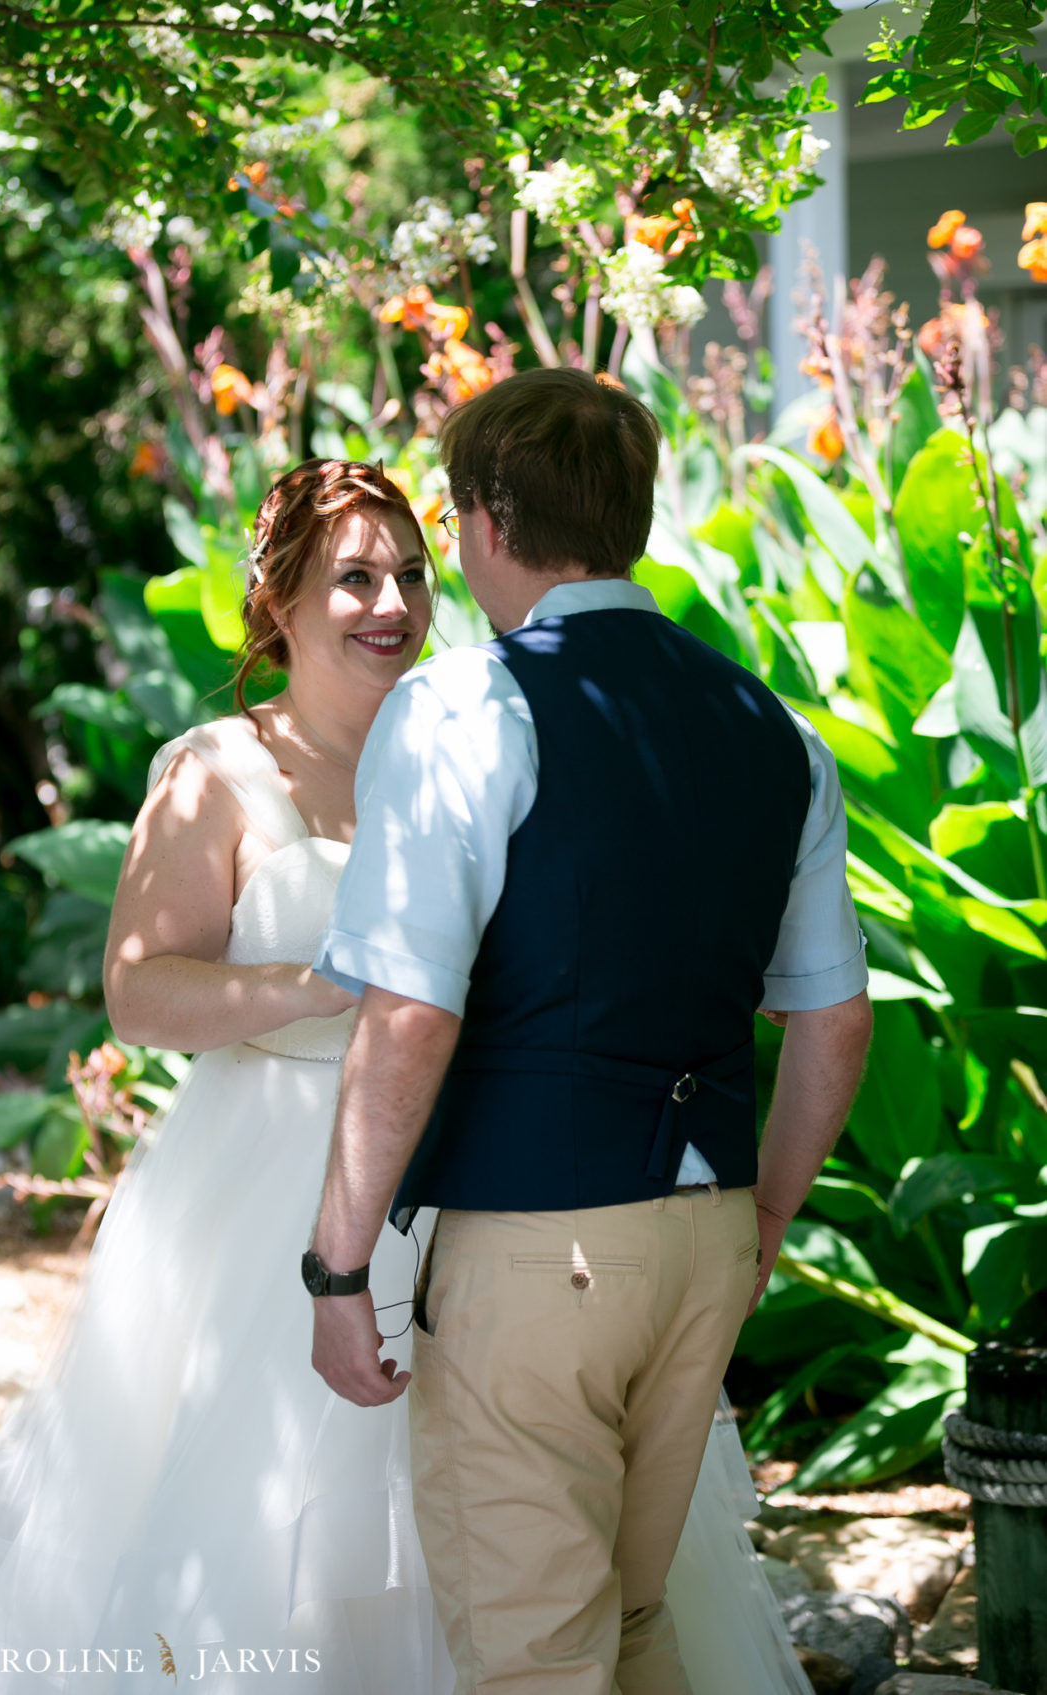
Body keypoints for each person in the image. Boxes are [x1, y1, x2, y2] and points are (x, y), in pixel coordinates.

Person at [0, 447, 837, 1695]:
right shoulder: (215, 770)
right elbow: (140, 991)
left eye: (409, 572)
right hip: (276, 1187)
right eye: (352, 580)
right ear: (277, 601)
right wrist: (336, 985)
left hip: (496, 1180)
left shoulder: (479, 731)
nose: (391, 603)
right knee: (293, 1536)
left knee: (516, 1544)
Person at [309, 371, 874, 1694]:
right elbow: (830, 1021)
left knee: (532, 1656)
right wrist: (762, 1222)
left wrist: (339, 1269)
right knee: (625, 1624)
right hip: (703, 1228)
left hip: (533, 1241)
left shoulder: (459, 709)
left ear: (488, 519)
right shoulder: (774, 727)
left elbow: (407, 1015)